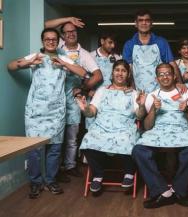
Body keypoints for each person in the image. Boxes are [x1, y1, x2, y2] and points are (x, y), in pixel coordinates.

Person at [7, 28, 87, 199]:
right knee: (33, 150)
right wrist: (29, 63)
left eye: (53, 39)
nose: (51, 42)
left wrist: (64, 64)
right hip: (35, 111)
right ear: (42, 41)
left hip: (56, 111)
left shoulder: (63, 57)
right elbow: (11, 66)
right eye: (47, 39)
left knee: (55, 148)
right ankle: (35, 182)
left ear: (58, 41)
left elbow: (83, 73)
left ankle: (51, 180)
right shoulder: (35, 57)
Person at [132, 63, 188, 209]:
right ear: (157, 78)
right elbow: (147, 126)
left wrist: (187, 110)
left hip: (181, 131)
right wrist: (153, 111)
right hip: (158, 132)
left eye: (168, 73)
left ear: (174, 76)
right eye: (161, 74)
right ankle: (163, 191)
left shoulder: (186, 93)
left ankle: (178, 190)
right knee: (138, 150)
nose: (165, 77)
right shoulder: (152, 95)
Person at [76, 60, 146, 195]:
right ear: (112, 72)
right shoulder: (102, 90)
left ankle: (129, 172)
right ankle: (97, 174)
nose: (120, 73)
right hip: (102, 127)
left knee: (127, 140)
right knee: (88, 140)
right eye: (117, 70)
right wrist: (85, 109)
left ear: (128, 74)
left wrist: (141, 105)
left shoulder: (133, 93)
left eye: (123, 70)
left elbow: (140, 116)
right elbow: (91, 112)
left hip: (124, 128)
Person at [45, 17, 103, 179]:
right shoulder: (58, 47)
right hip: (54, 98)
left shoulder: (84, 54)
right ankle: (55, 170)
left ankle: (70, 166)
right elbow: (47, 25)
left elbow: (98, 76)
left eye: (74, 31)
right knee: (55, 136)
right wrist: (69, 18)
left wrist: (83, 88)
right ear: (62, 36)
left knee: (71, 136)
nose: (71, 34)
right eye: (67, 31)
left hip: (72, 99)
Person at [122, 9, 185, 93]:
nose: (144, 23)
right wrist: (131, 88)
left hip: (160, 91)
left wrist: (179, 83)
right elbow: (128, 69)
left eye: (147, 20)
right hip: (138, 91)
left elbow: (172, 64)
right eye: (140, 20)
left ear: (151, 23)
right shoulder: (129, 44)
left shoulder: (161, 42)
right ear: (136, 24)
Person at [85, 33, 122, 129]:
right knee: (92, 127)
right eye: (110, 42)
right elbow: (83, 76)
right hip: (94, 97)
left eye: (114, 43)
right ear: (102, 41)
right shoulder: (90, 56)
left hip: (112, 98)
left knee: (110, 125)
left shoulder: (117, 58)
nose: (113, 46)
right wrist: (87, 90)